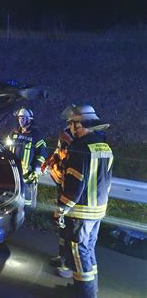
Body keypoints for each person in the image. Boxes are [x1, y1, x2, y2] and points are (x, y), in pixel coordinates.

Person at [54, 104, 113, 297]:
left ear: (79, 124)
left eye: (71, 124)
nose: (70, 128)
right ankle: (86, 288)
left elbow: (75, 185)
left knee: (79, 253)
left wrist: (61, 208)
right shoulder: (104, 146)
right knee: (87, 251)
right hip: (97, 210)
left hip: (81, 212)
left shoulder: (80, 148)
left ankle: (85, 294)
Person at [42, 127, 74, 277]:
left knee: (69, 230)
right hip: (62, 187)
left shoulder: (77, 147)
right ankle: (61, 257)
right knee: (62, 228)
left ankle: (67, 265)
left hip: (70, 192)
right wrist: (49, 161)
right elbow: (56, 154)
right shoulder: (64, 139)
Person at [7, 107, 47, 208]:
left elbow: (42, 153)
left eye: (24, 118)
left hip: (28, 175)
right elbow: (6, 148)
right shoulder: (14, 133)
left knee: (27, 201)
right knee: (13, 197)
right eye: (20, 118)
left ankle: (28, 216)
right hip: (13, 172)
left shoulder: (36, 135)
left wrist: (36, 167)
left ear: (30, 120)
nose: (21, 120)